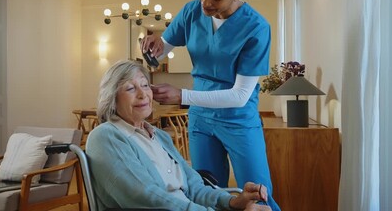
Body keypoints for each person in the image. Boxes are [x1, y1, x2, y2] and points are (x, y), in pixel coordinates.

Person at [140, 0, 280, 210]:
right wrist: (152, 48)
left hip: (238, 119)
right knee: (206, 191)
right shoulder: (191, 12)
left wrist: (181, 96)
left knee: (258, 195)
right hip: (201, 121)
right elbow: (161, 53)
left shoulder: (256, 27)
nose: (206, 2)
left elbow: (239, 96)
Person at [86, 60, 271, 211]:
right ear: (111, 97)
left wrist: (233, 202)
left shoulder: (160, 136)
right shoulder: (106, 136)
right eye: (130, 88)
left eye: (144, 85)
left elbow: (195, 187)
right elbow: (145, 198)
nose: (143, 94)